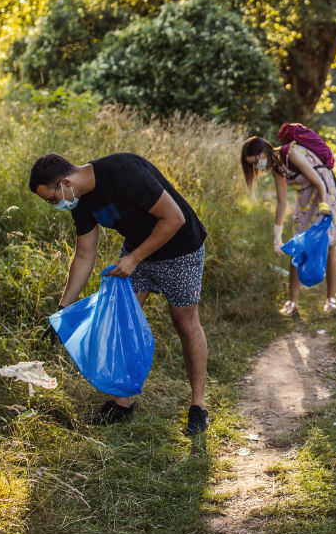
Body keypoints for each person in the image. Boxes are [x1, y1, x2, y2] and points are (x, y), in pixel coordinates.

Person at [28, 152, 211, 436]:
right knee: (119, 322)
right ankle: (121, 406)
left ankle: (198, 407)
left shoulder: (124, 171)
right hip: (139, 251)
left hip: (180, 248)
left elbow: (174, 218)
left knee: (184, 324)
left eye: (52, 198)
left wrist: (134, 258)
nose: (56, 205)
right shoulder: (80, 203)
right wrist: (62, 307)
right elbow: (84, 255)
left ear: (65, 182)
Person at [239, 133, 336, 316]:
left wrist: (324, 205)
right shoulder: (277, 168)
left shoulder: (291, 153)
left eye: (255, 160)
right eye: (252, 164)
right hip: (306, 199)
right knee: (298, 248)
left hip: (324, 192)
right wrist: (277, 238)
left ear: (263, 151)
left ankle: (331, 299)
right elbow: (282, 203)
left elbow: (319, 181)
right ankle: (292, 302)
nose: (256, 166)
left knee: (329, 246)